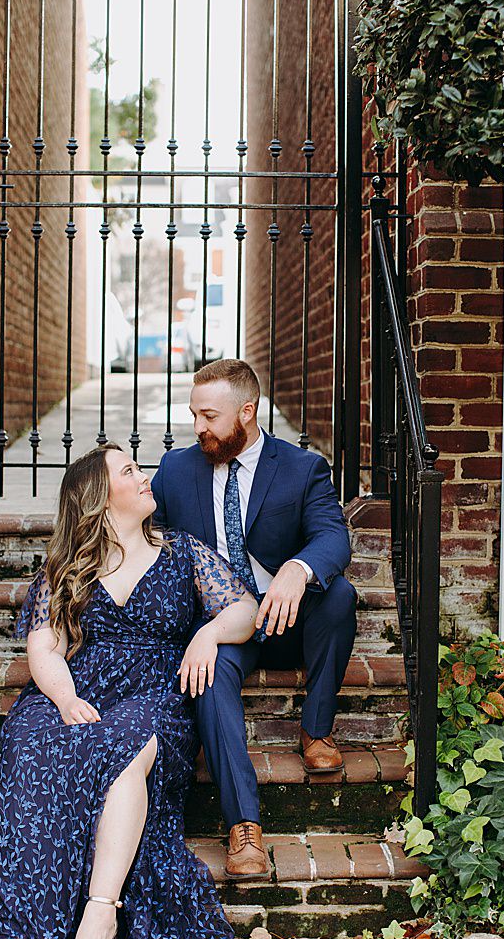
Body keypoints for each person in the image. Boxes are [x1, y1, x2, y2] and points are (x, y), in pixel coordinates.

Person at [0, 445, 259, 939]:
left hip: (154, 694)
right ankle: (16, 930)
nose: (143, 477)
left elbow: (245, 608)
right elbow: (44, 649)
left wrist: (207, 633)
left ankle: (99, 915)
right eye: (129, 471)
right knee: (27, 744)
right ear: (99, 499)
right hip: (76, 687)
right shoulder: (67, 570)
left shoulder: (184, 553)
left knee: (129, 745)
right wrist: (63, 700)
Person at [149, 358, 356, 879]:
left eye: (210, 417)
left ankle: (316, 732)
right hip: (220, 624)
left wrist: (299, 567)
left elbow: (333, 536)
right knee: (210, 671)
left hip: (284, 615)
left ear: (247, 412)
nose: (199, 427)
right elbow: (151, 542)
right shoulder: (176, 470)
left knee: (339, 597)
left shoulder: (302, 467)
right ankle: (244, 826)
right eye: (194, 414)